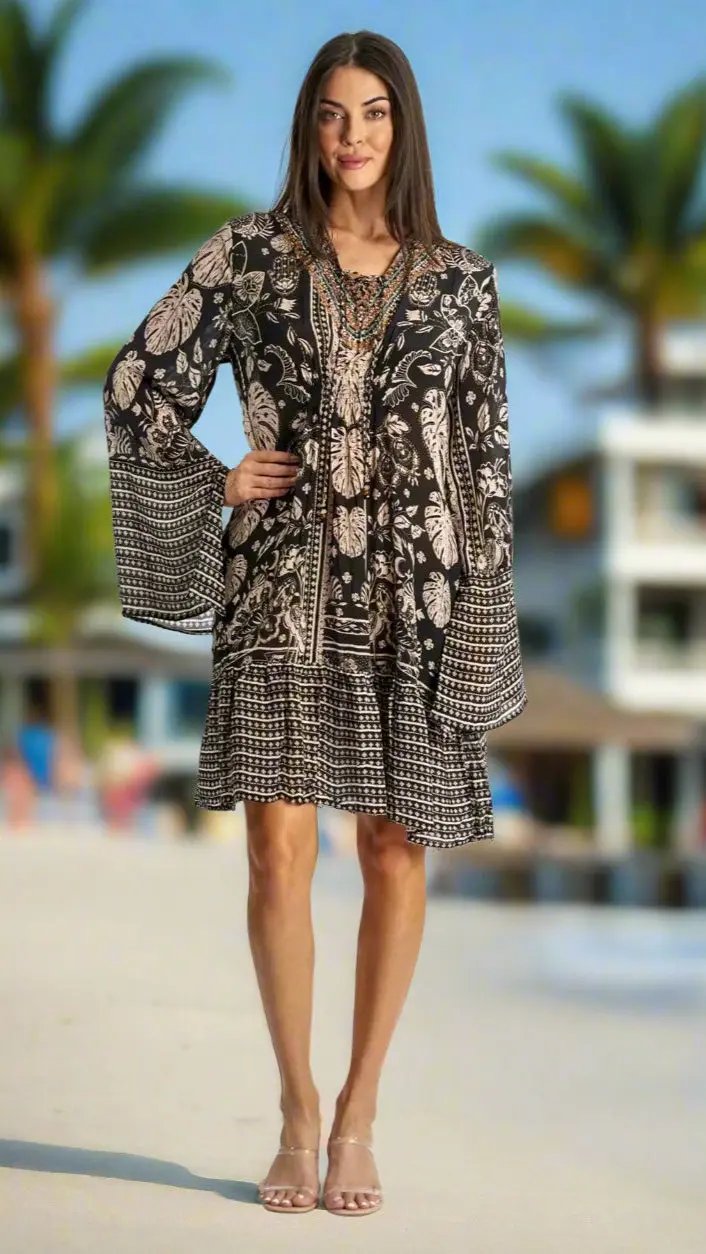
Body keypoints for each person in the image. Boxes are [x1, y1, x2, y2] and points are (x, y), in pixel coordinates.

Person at [103, 29, 526, 1217]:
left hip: (418, 598)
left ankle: (358, 1117)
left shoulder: (461, 279)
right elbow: (138, 386)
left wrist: (482, 623)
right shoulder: (246, 256)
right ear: (308, 125)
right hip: (279, 589)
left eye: (376, 113)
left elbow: (487, 465)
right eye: (334, 113)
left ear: (404, 126)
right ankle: (293, 1111)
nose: (353, 136)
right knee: (275, 854)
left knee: (394, 848)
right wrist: (209, 480)